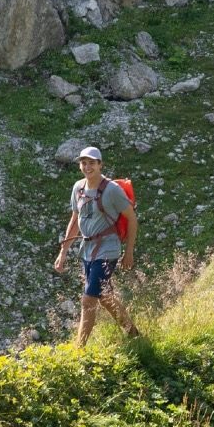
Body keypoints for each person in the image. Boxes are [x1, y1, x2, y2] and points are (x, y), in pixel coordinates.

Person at [52, 146, 141, 345]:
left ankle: (79, 350)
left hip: (108, 249)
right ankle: (133, 333)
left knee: (88, 299)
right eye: (83, 163)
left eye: (92, 162)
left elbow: (132, 219)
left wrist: (129, 252)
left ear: (100, 164)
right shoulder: (78, 188)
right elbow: (75, 221)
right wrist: (63, 252)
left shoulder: (112, 190)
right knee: (104, 295)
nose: (87, 166)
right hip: (88, 250)